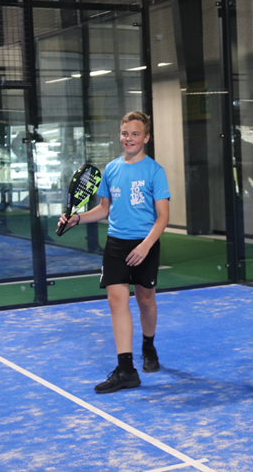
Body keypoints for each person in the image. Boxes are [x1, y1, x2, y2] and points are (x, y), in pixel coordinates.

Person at [58, 111, 170, 394]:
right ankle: (126, 369)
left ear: (146, 137)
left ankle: (148, 346)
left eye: (135, 134)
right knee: (116, 301)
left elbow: (163, 217)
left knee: (145, 300)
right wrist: (76, 218)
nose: (128, 138)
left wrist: (145, 246)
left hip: (145, 244)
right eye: (124, 133)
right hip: (116, 244)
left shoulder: (155, 171)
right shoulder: (111, 169)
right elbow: (103, 209)